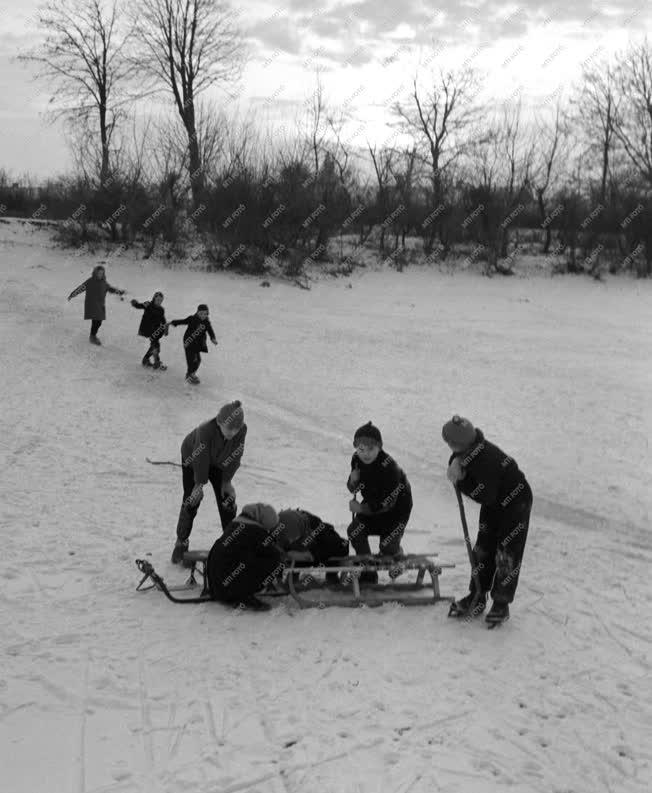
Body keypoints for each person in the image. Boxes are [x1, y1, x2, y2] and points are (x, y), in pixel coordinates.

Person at [443, 415, 533, 624]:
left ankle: (501, 603)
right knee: (483, 548)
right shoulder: (467, 449)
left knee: (506, 553)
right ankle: (477, 595)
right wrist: (455, 463)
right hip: (494, 502)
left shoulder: (486, 460)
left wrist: (462, 480)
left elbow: (484, 494)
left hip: (515, 502)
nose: (449, 446)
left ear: (462, 443)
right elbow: (458, 457)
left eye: (451, 443)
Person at [171, 400, 247, 563]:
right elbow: (201, 457)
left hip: (220, 462)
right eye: (229, 429)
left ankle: (231, 544)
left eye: (236, 430)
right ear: (219, 423)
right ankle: (181, 541)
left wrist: (227, 481)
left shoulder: (241, 431)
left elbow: (236, 455)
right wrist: (198, 485)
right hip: (193, 457)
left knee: (226, 500)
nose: (232, 433)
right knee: (192, 499)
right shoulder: (205, 430)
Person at [346, 421, 413, 584]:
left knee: (387, 546)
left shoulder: (390, 468)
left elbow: (387, 503)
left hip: (396, 511)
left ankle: (398, 555)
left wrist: (361, 508)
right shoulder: (356, 459)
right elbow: (353, 487)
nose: (365, 454)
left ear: (379, 447)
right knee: (355, 530)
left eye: (371, 449)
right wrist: (352, 481)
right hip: (371, 505)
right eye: (361, 449)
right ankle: (369, 572)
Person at [206, 503, 284, 611]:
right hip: (228, 589)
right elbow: (275, 555)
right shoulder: (255, 530)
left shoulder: (236, 523)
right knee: (273, 560)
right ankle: (243, 595)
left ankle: (238, 591)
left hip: (216, 586)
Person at [67, 264, 126, 344]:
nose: (100, 275)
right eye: (98, 273)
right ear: (95, 273)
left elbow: (110, 289)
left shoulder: (103, 282)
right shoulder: (90, 281)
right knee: (96, 321)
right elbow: (81, 288)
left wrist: (119, 291)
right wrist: (72, 294)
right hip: (92, 304)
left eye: (102, 273)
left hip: (100, 305)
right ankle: (92, 337)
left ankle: (93, 336)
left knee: (99, 321)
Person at [169, 303, 217, 384]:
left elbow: (210, 330)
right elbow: (183, 321)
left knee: (198, 360)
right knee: (192, 360)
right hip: (189, 342)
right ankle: (189, 375)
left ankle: (192, 374)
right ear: (197, 312)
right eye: (201, 313)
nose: (203, 315)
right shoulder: (192, 319)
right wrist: (173, 322)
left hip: (197, 344)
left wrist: (212, 338)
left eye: (205, 314)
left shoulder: (206, 322)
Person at [130, 291, 168, 369]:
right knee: (155, 345)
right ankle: (156, 361)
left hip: (155, 330)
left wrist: (165, 328)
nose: (159, 302)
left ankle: (147, 360)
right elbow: (139, 306)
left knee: (155, 345)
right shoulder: (148, 305)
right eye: (158, 300)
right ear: (154, 298)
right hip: (147, 329)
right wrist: (134, 303)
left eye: (161, 300)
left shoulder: (161, 309)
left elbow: (163, 320)